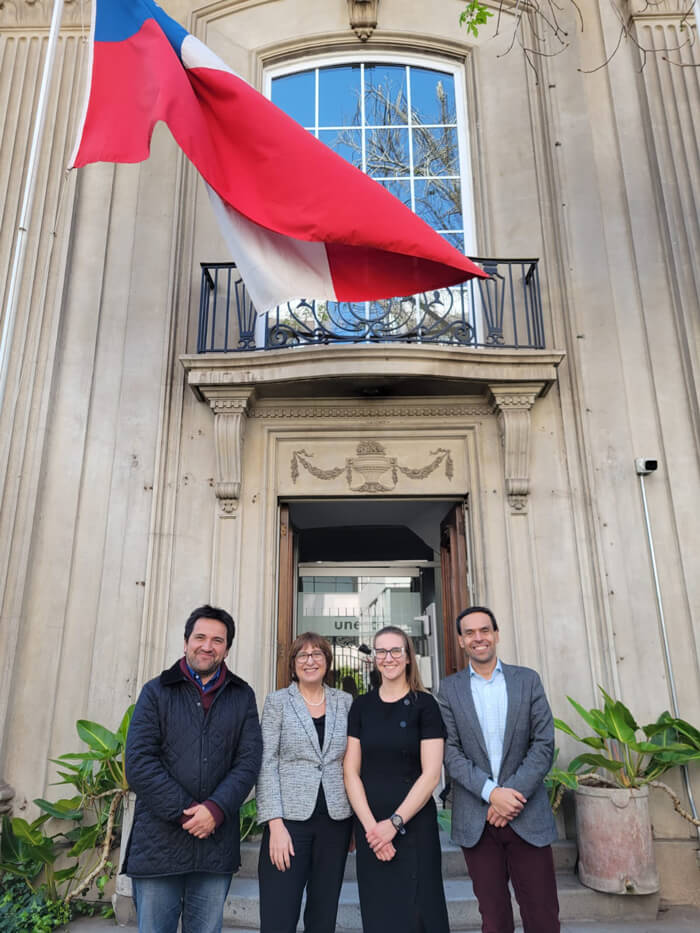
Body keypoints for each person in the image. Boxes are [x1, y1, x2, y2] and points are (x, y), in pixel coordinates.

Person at [124, 605, 262, 933]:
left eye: (217, 640)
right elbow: (139, 762)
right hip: (160, 842)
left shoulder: (242, 696)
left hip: (214, 843)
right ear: (185, 642)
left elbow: (248, 761)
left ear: (227, 648)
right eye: (200, 637)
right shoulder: (156, 691)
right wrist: (188, 813)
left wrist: (214, 810)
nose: (207, 646)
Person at [437, 606, 560, 933]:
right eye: (470, 633)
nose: (479, 638)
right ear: (461, 641)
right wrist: (493, 794)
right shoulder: (449, 690)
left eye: (485, 630)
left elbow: (543, 744)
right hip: (477, 821)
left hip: (527, 814)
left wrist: (511, 797)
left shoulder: (527, 680)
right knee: (494, 920)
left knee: (543, 917)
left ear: (496, 635)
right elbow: (450, 752)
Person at [344, 625, 449, 933]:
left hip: (414, 826)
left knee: (421, 914)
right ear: (374, 658)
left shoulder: (425, 705)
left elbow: (431, 775)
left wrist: (394, 823)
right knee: (379, 914)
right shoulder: (361, 706)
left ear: (407, 658)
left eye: (395, 651)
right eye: (381, 651)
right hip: (371, 826)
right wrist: (372, 829)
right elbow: (350, 771)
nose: (387, 658)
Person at [256, 633, 353, 933]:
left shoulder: (346, 702)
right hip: (288, 823)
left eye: (317, 654)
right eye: (302, 655)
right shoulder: (277, 702)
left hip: (335, 822)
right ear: (293, 664)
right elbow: (266, 763)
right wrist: (274, 824)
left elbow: (352, 763)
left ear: (327, 661)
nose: (310, 661)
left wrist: (356, 821)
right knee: (279, 914)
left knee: (323, 916)